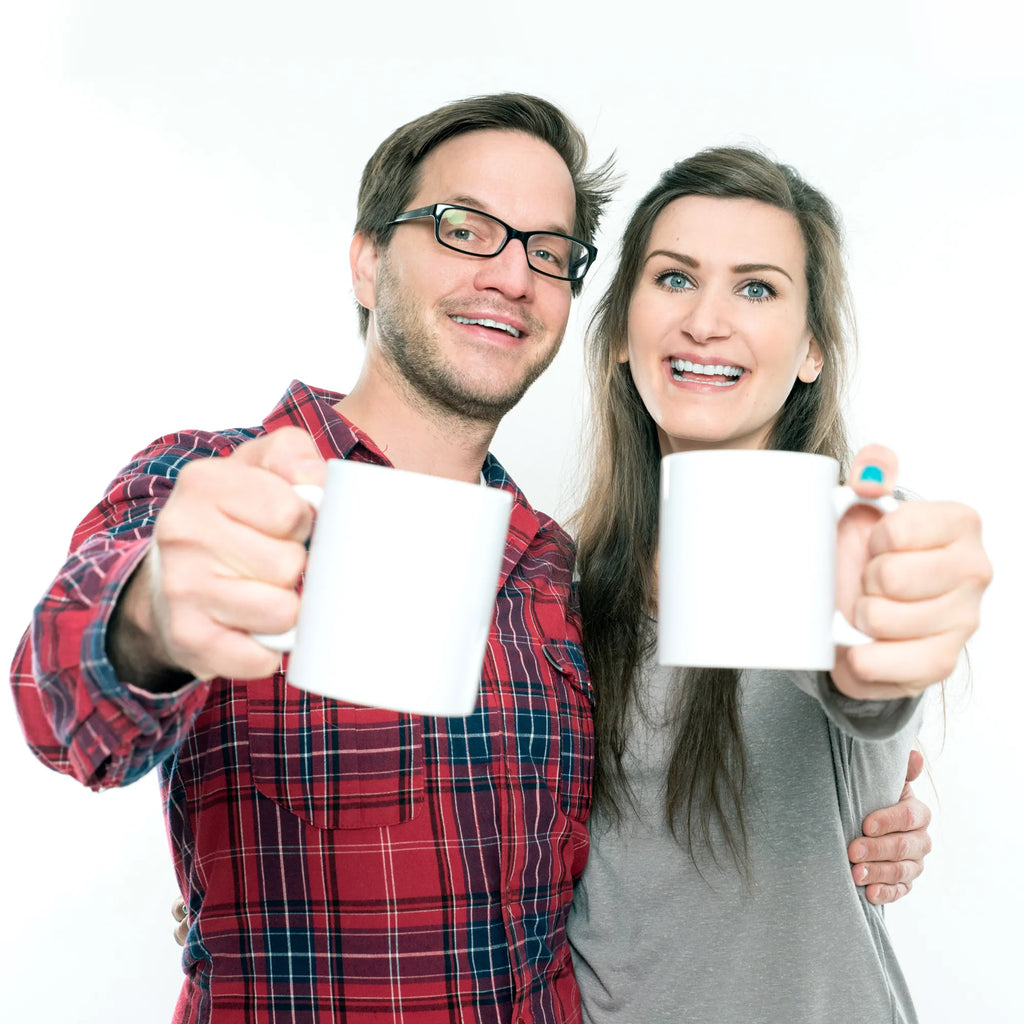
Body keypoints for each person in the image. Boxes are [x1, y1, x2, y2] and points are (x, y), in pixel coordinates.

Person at [12, 94, 937, 1024]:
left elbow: (687, 826)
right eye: (466, 229)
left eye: (545, 251)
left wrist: (865, 807)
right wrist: (154, 616)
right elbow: (62, 707)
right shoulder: (216, 487)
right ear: (368, 260)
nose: (509, 274)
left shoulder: (554, 576)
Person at [566, 146, 992, 1023]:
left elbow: (867, 683)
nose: (707, 322)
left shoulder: (846, 542)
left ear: (810, 352)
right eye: (675, 279)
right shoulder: (565, 583)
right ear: (618, 332)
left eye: (756, 288)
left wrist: (886, 646)